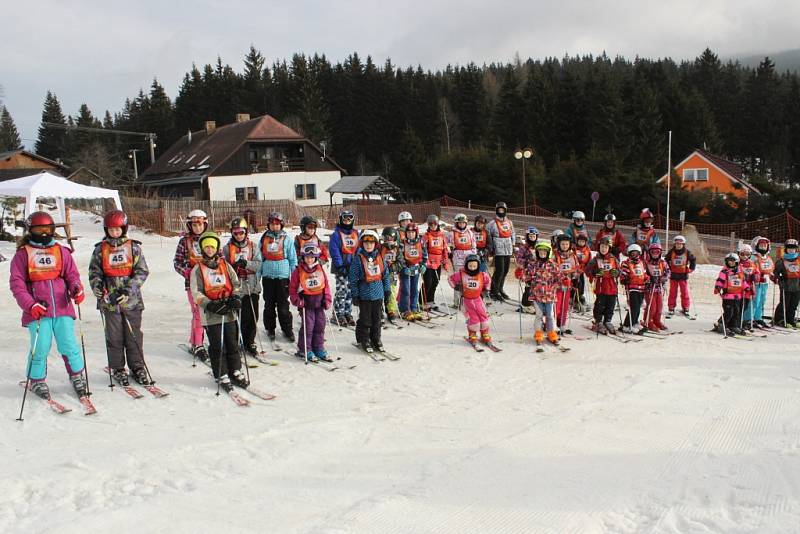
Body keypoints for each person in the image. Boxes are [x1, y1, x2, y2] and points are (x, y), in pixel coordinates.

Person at [10, 211, 88, 400]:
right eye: (39, 229)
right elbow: (17, 284)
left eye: (47, 229)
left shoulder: (61, 251)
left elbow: (72, 275)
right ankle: (36, 379)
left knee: (69, 344)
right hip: (38, 311)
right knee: (41, 346)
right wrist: (30, 305)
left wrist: (76, 289)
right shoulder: (23, 255)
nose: (44, 234)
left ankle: (77, 375)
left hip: (62, 308)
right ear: (30, 230)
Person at [88, 209, 151, 385]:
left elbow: (142, 271)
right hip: (109, 302)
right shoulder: (101, 249)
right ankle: (117, 367)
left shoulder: (133, 247)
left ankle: (137, 366)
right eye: (111, 229)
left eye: (118, 229)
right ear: (106, 230)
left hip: (131, 301)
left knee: (133, 336)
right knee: (114, 336)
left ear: (124, 228)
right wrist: (98, 286)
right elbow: (94, 272)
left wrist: (128, 291)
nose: (114, 233)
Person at [190, 231, 247, 390]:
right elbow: (196, 293)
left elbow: (235, 283)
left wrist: (236, 297)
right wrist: (210, 304)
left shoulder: (225, 265)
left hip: (228, 311)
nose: (209, 250)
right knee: (217, 345)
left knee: (232, 342)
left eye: (212, 247)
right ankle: (221, 373)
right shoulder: (198, 269)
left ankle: (235, 369)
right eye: (206, 247)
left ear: (217, 249)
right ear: (202, 249)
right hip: (211, 313)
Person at [173, 209, 209, 361]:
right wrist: (187, 272)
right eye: (194, 224)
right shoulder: (185, 241)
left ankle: (196, 339)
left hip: (210, 282)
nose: (198, 228)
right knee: (198, 313)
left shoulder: (210, 238)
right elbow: (177, 262)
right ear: (190, 225)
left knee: (205, 313)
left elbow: (219, 258)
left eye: (200, 224)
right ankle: (198, 344)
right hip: (193, 284)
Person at [223, 217, 262, 354]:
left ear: (246, 232)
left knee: (252, 316)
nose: (239, 236)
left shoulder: (253, 246)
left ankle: (249, 341)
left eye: (241, 232)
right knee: (238, 317)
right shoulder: (227, 249)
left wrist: (247, 264)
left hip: (252, 287)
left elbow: (258, 265)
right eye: (235, 233)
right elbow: (223, 268)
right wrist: (234, 266)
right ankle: (236, 341)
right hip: (237, 289)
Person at [348, 230, 391, 352]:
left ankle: (376, 339)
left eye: (371, 243)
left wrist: (387, 290)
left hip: (378, 294)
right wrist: (355, 294)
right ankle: (364, 339)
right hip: (364, 295)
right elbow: (353, 277)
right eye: (366, 243)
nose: (369, 245)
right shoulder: (358, 259)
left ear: (375, 244)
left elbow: (385, 275)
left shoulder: (380, 257)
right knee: (365, 319)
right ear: (362, 244)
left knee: (377, 319)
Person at [288, 244, 332, 361]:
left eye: (312, 257)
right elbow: (292, 289)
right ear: (303, 257)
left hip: (319, 302)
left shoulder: (319, 269)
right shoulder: (298, 271)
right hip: (306, 303)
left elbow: (325, 285)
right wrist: (297, 300)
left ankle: (318, 348)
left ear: (316, 257)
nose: (310, 259)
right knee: (308, 327)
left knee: (320, 326)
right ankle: (305, 349)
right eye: (307, 257)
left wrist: (327, 299)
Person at [258, 211, 297, 342]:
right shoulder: (264, 238)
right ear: (268, 225)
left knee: (283, 305)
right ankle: (270, 328)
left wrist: (295, 277)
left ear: (281, 225)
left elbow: (293, 259)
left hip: (282, 277)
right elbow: (259, 258)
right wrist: (257, 277)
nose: (275, 226)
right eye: (272, 224)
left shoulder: (287, 239)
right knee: (269, 304)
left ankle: (287, 329)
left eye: (277, 224)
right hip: (268, 276)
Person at [449, 254, 493, 345]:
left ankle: (484, 333)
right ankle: (472, 334)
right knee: (473, 319)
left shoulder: (482, 274)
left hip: (478, 300)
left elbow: (488, 280)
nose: (472, 268)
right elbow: (450, 279)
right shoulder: (461, 274)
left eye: (474, 266)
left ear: (478, 266)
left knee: (483, 316)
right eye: (470, 266)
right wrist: (456, 287)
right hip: (467, 301)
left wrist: (486, 289)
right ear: (466, 265)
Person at [525, 241, 561, 348]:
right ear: (537, 252)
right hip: (537, 295)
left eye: (544, 252)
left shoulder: (553, 265)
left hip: (549, 295)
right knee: (539, 315)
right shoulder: (533, 264)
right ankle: (538, 333)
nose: (542, 253)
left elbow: (559, 278)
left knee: (550, 316)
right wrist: (522, 275)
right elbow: (527, 276)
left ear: (548, 253)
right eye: (540, 252)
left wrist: (562, 283)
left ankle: (551, 333)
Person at [328, 209, 358, 327]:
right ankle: (338, 314)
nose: (347, 221)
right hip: (341, 267)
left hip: (353, 267)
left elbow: (359, 249)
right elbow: (334, 250)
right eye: (345, 219)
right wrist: (340, 265)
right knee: (342, 290)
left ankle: (347, 312)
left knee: (350, 291)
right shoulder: (336, 234)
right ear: (341, 220)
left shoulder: (355, 233)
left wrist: (357, 264)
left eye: (349, 219)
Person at [584, 236, 620, 334]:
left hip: (612, 287)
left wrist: (616, 273)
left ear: (609, 248)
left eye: (606, 247)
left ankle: (607, 320)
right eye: (602, 247)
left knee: (610, 305)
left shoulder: (614, 259)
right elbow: (587, 271)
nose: (603, 249)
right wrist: (595, 273)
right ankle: (598, 321)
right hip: (601, 287)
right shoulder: (596, 259)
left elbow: (619, 271)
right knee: (600, 305)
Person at [398, 222, 428, 321]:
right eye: (409, 232)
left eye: (413, 232)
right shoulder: (403, 242)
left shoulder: (420, 242)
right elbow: (400, 256)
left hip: (416, 268)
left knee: (414, 289)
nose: (411, 234)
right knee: (406, 290)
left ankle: (414, 307)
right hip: (406, 268)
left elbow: (424, 255)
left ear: (416, 233)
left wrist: (423, 265)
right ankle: (404, 309)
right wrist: (403, 267)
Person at [486, 201, 515, 301]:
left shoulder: (509, 222)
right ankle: (494, 291)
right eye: (499, 209)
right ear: (496, 210)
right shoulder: (492, 223)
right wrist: (491, 247)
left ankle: (500, 289)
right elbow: (488, 235)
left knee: (506, 270)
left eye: (503, 210)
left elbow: (513, 233)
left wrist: (513, 243)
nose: (501, 211)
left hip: (508, 248)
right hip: (498, 249)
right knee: (499, 271)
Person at [714, 253, 748, 335]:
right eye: (729, 262)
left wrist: (747, 288)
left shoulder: (740, 272)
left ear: (736, 262)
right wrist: (718, 287)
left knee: (737, 312)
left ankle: (734, 325)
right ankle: (722, 325)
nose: (731, 263)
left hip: (738, 296)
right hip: (728, 296)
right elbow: (720, 280)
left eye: (733, 262)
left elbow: (743, 282)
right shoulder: (724, 272)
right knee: (729, 312)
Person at [619, 244, 650, 333]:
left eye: (636, 253)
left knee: (638, 307)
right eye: (632, 253)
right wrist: (623, 279)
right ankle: (627, 325)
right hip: (632, 288)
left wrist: (647, 280)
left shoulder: (641, 263)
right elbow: (623, 273)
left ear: (639, 254)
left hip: (641, 288)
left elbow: (644, 274)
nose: (634, 255)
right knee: (634, 307)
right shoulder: (626, 263)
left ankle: (635, 321)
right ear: (629, 254)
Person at [553, 233, 580, 334]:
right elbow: (552, 269)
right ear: (559, 244)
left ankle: (562, 324)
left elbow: (576, 268)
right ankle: (553, 323)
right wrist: (560, 278)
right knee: (557, 306)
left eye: (566, 244)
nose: (565, 246)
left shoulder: (572, 256)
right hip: (558, 286)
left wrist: (576, 278)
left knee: (565, 306)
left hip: (568, 285)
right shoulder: (555, 255)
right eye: (563, 244)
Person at [421, 214, 449, 311]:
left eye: (435, 224)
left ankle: (430, 301)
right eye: (431, 224)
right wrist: (426, 261)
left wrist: (445, 262)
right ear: (428, 225)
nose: (433, 226)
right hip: (429, 262)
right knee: (428, 282)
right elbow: (423, 250)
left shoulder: (442, 235)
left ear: (438, 224)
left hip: (438, 262)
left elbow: (444, 249)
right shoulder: (426, 236)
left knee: (435, 282)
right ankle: (422, 301)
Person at [664, 235, 697, 317]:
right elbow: (666, 260)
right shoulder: (671, 251)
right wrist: (668, 268)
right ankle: (671, 307)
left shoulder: (687, 252)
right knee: (673, 292)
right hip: (673, 275)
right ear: (675, 244)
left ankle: (685, 307)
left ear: (683, 244)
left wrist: (691, 269)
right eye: (677, 244)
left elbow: (693, 260)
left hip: (683, 275)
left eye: (680, 244)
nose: (678, 245)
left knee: (684, 292)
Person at [642, 242, 670, 332]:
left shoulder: (662, 262)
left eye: (657, 252)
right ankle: (648, 321)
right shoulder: (646, 263)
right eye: (653, 252)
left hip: (658, 287)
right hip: (649, 288)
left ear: (660, 253)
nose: (655, 254)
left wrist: (664, 279)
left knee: (659, 306)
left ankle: (657, 321)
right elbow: (643, 274)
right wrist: (649, 279)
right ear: (650, 253)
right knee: (652, 306)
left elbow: (668, 272)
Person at [773, 239, 800, 328]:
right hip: (786, 285)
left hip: (797, 285)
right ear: (785, 249)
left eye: (793, 248)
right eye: (789, 248)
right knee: (785, 303)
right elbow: (775, 273)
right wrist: (778, 279)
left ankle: (790, 319)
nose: (791, 250)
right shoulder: (782, 261)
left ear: (796, 249)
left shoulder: (799, 259)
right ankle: (779, 319)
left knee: (794, 304)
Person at [749, 236, 774, 328]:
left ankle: (758, 317)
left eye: (765, 246)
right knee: (755, 300)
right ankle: (749, 318)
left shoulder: (767, 257)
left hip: (765, 282)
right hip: (756, 282)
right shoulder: (753, 257)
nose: (763, 248)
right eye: (761, 246)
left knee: (762, 301)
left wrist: (772, 276)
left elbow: (770, 269)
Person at [514, 226, 539, 309]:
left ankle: (533, 302)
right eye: (530, 236)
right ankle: (525, 304)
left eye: (534, 237)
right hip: (528, 270)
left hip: (537, 271)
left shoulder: (538, 247)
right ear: (527, 236)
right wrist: (527, 261)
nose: (532, 238)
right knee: (528, 287)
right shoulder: (524, 247)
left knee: (536, 287)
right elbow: (518, 259)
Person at [380, 227, 402, 321]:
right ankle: (379, 311)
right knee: (380, 292)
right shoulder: (380, 248)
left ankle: (391, 310)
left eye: (391, 238)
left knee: (392, 292)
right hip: (381, 274)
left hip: (392, 274)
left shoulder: (397, 249)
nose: (389, 240)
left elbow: (401, 262)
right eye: (386, 237)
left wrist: (393, 267)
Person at [737, 243, 760, 331]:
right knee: (736, 307)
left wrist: (756, 277)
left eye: (747, 254)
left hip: (748, 290)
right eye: (742, 254)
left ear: (750, 255)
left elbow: (756, 273)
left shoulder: (752, 264)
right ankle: (733, 322)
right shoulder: (736, 263)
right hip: (738, 289)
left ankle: (740, 322)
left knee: (745, 306)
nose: (745, 256)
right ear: (739, 254)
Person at [573, 233, 593, 309]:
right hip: (575, 271)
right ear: (577, 241)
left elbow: (589, 261)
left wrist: (589, 270)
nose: (581, 243)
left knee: (582, 284)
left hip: (582, 271)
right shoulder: (574, 249)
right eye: (580, 241)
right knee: (577, 284)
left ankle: (581, 297)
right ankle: (575, 299)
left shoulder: (587, 250)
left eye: (583, 241)